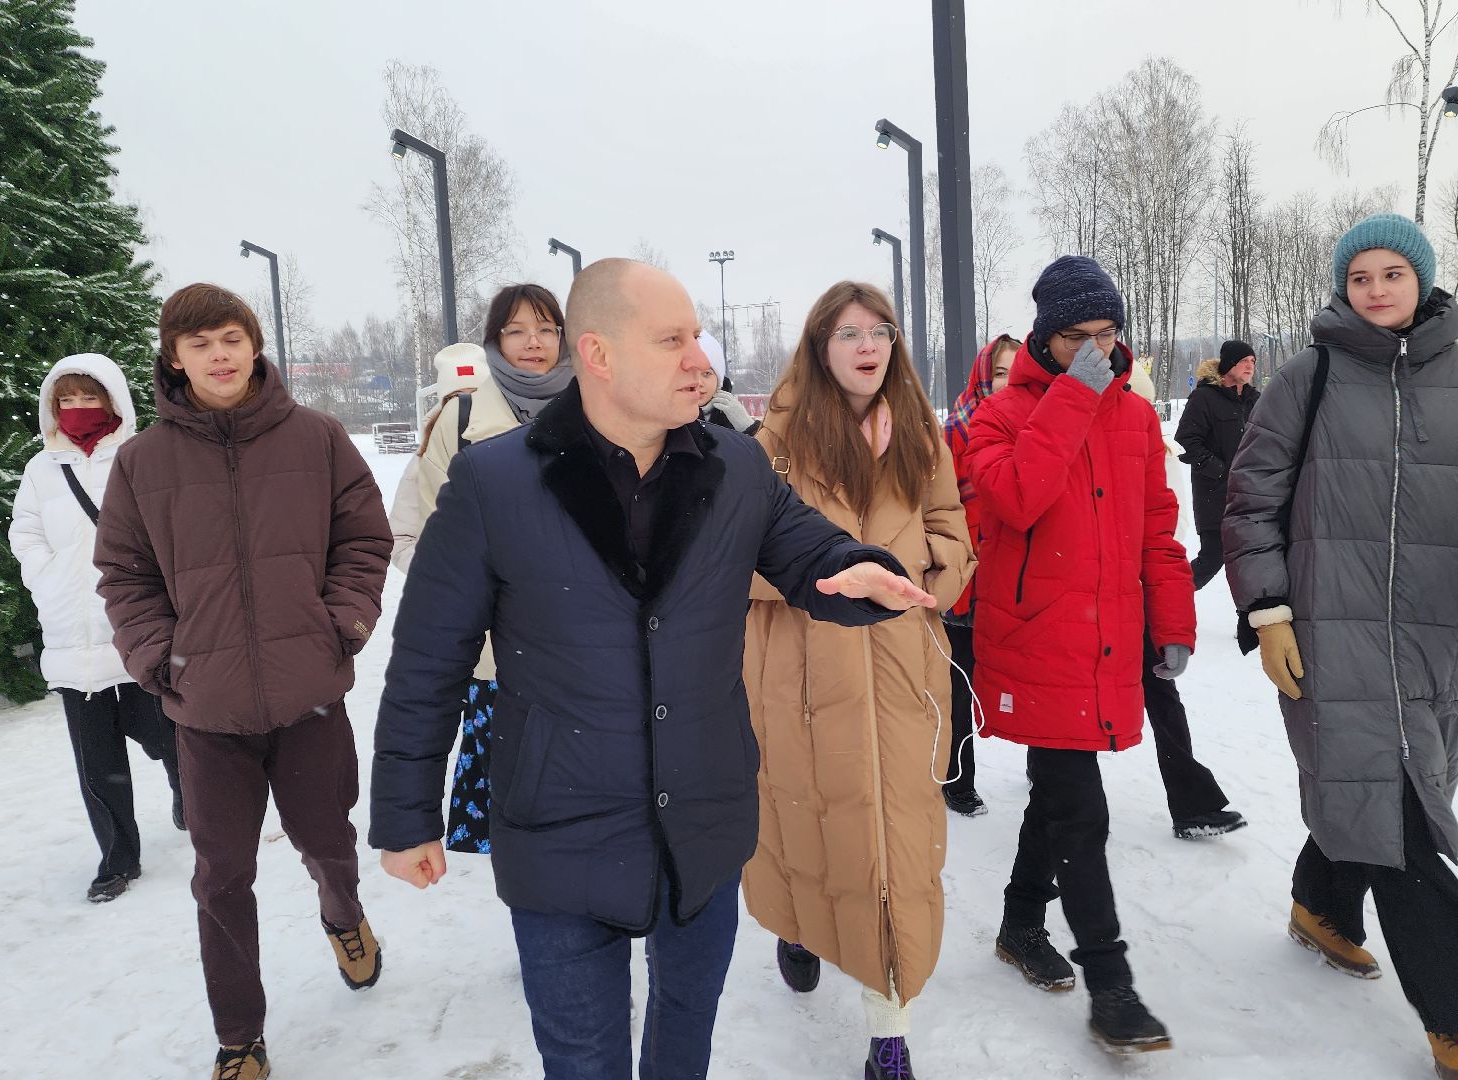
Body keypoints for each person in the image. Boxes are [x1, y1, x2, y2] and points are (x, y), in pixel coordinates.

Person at [369, 259, 936, 1080]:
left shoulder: (735, 465)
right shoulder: (495, 482)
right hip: (560, 828)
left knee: (684, 1038)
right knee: (582, 1060)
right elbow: (429, 657)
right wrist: (405, 814)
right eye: (672, 341)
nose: (699, 361)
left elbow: (808, 549)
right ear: (598, 355)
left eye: (696, 337)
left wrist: (857, 570)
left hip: (703, 819)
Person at [1224, 213, 1458, 1080]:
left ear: (1423, 280)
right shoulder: (1306, 378)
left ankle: (1321, 907)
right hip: (1329, 630)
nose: (1375, 289)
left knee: (1381, 790)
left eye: (1392, 274)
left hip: (1441, 635)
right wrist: (1268, 612)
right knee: (1401, 818)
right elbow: (1252, 502)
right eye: (1360, 277)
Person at [94, 283, 392, 1080]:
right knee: (222, 877)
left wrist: (341, 624)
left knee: (327, 842)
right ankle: (240, 1037)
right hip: (206, 710)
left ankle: (343, 914)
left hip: (309, 697)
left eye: (231, 337)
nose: (219, 355)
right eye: (199, 343)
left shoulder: (318, 438)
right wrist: (160, 658)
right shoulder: (142, 462)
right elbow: (124, 574)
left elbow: (364, 539)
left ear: (254, 345)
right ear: (173, 357)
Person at [962, 255, 1195, 1053]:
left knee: (1058, 798)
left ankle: (1021, 922)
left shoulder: (1136, 418)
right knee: (1081, 809)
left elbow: (1158, 530)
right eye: (1077, 337)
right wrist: (1073, 397)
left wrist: (1173, 623)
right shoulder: (999, 416)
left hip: (1105, 640)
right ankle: (1111, 987)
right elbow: (1014, 499)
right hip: (1035, 642)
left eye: (1108, 333)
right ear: (1044, 339)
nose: (1097, 349)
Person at [743, 282, 976, 1079]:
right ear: (820, 346)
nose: (868, 346)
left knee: (896, 848)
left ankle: (890, 1030)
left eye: (880, 331)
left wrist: (927, 574)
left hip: (904, 667)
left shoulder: (918, 433)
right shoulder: (772, 442)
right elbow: (733, 556)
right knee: (810, 823)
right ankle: (799, 924)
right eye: (848, 333)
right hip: (804, 669)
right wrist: (824, 579)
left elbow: (951, 530)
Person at [389, 285, 574, 856]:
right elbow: (436, 537)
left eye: (545, 329)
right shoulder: (461, 418)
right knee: (514, 795)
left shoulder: (598, 405)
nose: (533, 342)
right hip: (503, 644)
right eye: (516, 330)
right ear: (495, 340)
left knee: (587, 793)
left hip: (589, 640)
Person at [9, 353, 182, 904]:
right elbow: (25, 533)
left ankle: (186, 790)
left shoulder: (140, 458)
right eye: (67, 399)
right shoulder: (41, 470)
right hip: (70, 636)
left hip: (134, 631)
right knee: (97, 765)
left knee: (169, 736)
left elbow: (171, 527)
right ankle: (117, 858)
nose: (78, 408)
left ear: (112, 402)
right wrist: (47, 578)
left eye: (89, 397)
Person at [1125, 361, 1248, 841]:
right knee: (1069, 707)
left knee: (1163, 698)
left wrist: (1172, 626)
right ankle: (1048, 777)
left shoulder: (1150, 452)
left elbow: (1164, 541)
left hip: (1137, 596)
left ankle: (1193, 804)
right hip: (1082, 605)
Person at [939, 334, 1021, 817]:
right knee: (959, 688)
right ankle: (958, 777)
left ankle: (1045, 764)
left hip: (1019, 580)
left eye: (1017, 372)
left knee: (1032, 681)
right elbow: (939, 508)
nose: (1009, 383)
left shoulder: (1039, 429)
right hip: (967, 580)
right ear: (984, 377)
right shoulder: (954, 433)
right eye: (1001, 373)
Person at [1175, 339, 1260, 589]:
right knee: (1212, 559)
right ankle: (1167, 600)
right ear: (1229, 364)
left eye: (1253, 361)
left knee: (1255, 561)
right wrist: (1221, 471)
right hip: (1215, 496)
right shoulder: (1204, 398)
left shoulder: (1255, 400)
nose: (1250, 366)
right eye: (1243, 361)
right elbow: (1187, 441)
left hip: (1252, 496)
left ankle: (1251, 616)